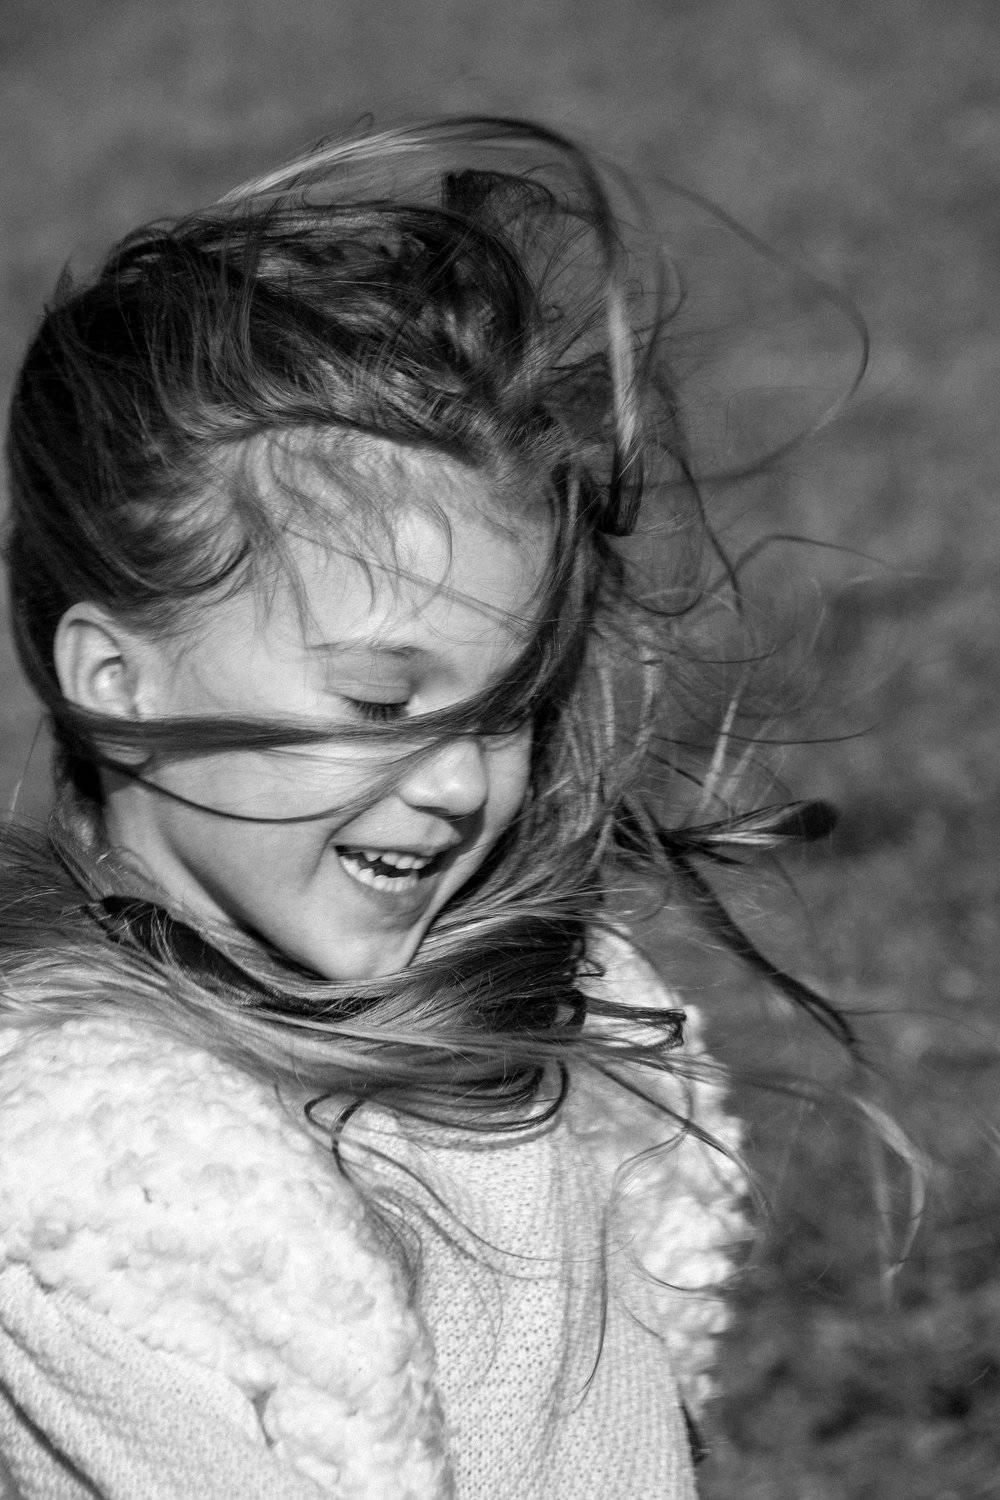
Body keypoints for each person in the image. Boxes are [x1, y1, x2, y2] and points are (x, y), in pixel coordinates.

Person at [0, 117, 842, 1498]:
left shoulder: (552, 1032)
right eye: (382, 702)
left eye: (507, 708)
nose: (461, 784)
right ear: (117, 682)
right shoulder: (73, 1193)